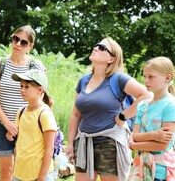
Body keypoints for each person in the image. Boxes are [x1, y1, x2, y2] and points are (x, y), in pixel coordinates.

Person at [65, 37, 151, 181]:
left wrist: (123, 116)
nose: (96, 47)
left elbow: (147, 95)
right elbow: (75, 114)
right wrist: (70, 143)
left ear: (111, 59)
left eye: (102, 47)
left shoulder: (118, 79)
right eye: (97, 45)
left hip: (110, 144)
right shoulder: (84, 80)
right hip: (84, 143)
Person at [0, 25, 46, 181]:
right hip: (1, 124)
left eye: (23, 42)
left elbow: (42, 98)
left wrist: (21, 124)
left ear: (30, 46)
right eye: (15, 39)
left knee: (25, 171)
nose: (18, 44)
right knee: (6, 171)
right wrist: (7, 123)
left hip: (27, 126)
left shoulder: (35, 66)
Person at [129, 56, 175, 181]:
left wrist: (134, 145)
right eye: (144, 76)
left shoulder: (171, 105)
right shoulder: (142, 105)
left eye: (151, 77)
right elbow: (134, 136)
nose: (146, 80)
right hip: (140, 170)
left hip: (160, 173)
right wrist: (154, 135)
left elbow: (162, 146)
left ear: (167, 78)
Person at [7, 69, 57, 181]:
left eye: (27, 87)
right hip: (20, 173)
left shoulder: (45, 115)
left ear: (40, 90)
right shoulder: (21, 111)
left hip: (38, 174)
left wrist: (42, 177)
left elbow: (49, 149)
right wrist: (10, 134)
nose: (22, 90)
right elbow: (20, 139)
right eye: (21, 86)